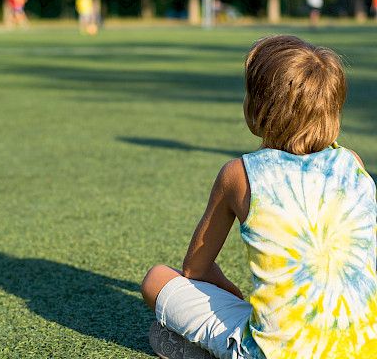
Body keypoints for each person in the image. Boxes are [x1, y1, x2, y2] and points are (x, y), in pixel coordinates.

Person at [141, 35, 377, 359]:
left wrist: (232, 297)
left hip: (273, 352)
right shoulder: (353, 163)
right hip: (363, 348)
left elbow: (196, 269)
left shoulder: (239, 174)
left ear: (256, 107)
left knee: (156, 278)